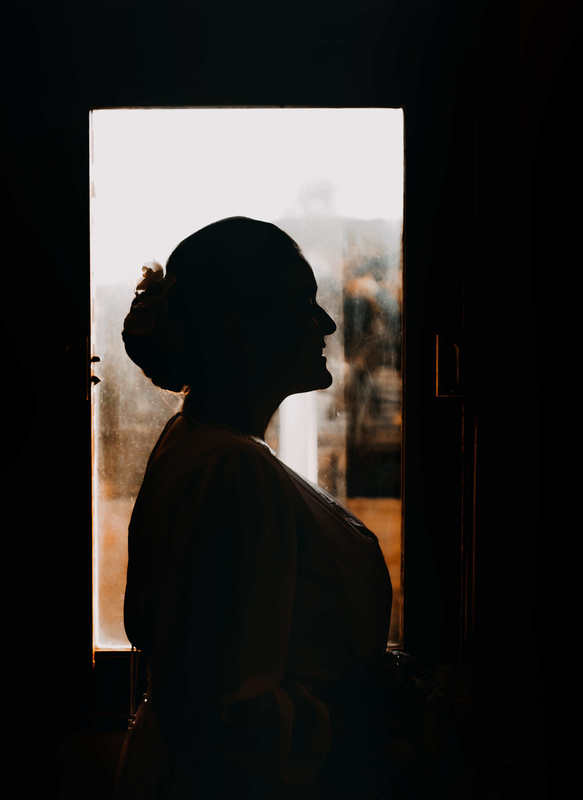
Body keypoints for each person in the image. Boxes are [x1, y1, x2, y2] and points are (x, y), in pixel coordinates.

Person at [113, 217, 395, 799]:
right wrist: (386, 716)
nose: (327, 323)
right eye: (305, 304)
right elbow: (238, 720)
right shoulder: (234, 472)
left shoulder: (192, 442)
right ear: (244, 327)